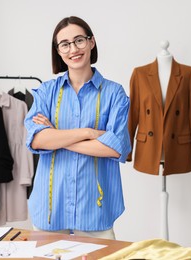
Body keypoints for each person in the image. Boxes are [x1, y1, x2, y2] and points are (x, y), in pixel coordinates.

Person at [24, 16, 131, 240]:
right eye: (65, 44)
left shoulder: (115, 94)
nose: (73, 49)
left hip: (96, 209)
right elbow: (37, 141)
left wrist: (57, 137)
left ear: (91, 42)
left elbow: (115, 149)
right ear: (58, 51)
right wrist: (89, 133)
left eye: (79, 40)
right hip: (50, 208)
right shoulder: (45, 92)